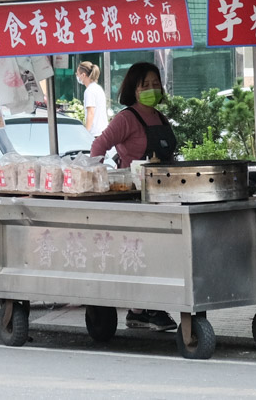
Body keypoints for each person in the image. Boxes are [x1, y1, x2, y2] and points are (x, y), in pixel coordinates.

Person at [89, 61, 178, 331]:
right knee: (141, 253)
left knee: (160, 253)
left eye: (155, 84)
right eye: (145, 85)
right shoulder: (126, 118)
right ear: (134, 90)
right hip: (134, 198)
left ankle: (142, 309)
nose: (152, 89)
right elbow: (98, 146)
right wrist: (100, 180)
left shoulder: (161, 118)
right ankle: (143, 309)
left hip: (162, 196)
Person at [77, 61, 109, 137]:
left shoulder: (89, 91)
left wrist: (86, 134)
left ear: (83, 75)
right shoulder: (98, 88)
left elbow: (90, 113)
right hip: (103, 131)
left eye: (77, 74)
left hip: (95, 133)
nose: (77, 76)